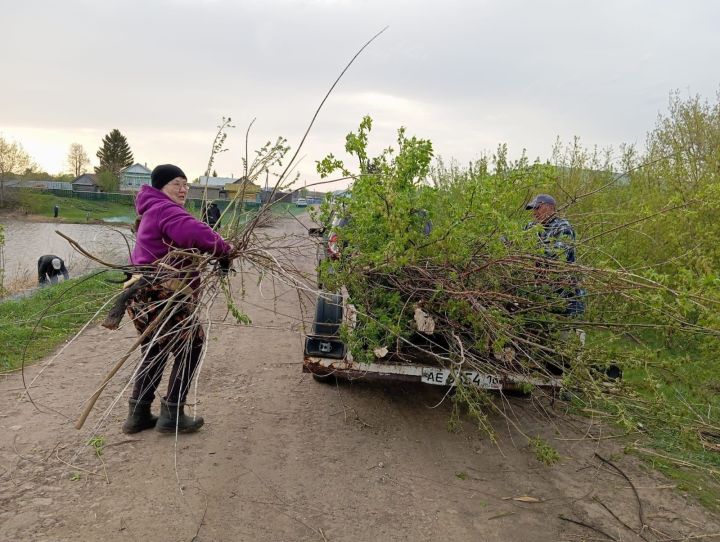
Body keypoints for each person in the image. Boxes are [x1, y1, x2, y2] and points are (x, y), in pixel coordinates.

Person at [122, 164, 233, 435]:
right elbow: (195, 233)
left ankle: (138, 414)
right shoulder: (166, 209)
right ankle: (172, 412)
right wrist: (225, 251)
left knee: (155, 349)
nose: (183, 189)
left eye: (185, 183)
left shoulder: (151, 209)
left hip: (140, 295)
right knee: (191, 344)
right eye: (176, 183)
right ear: (161, 187)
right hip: (163, 294)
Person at [524, 194, 584, 316]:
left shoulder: (563, 227)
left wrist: (529, 251)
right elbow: (514, 239)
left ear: (549, 208)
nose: (534, 213)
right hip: (543, 293)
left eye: (537, 208)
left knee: (565, 331)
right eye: (533, 209)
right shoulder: (532, 227)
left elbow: (557, 255)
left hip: (565, 295)